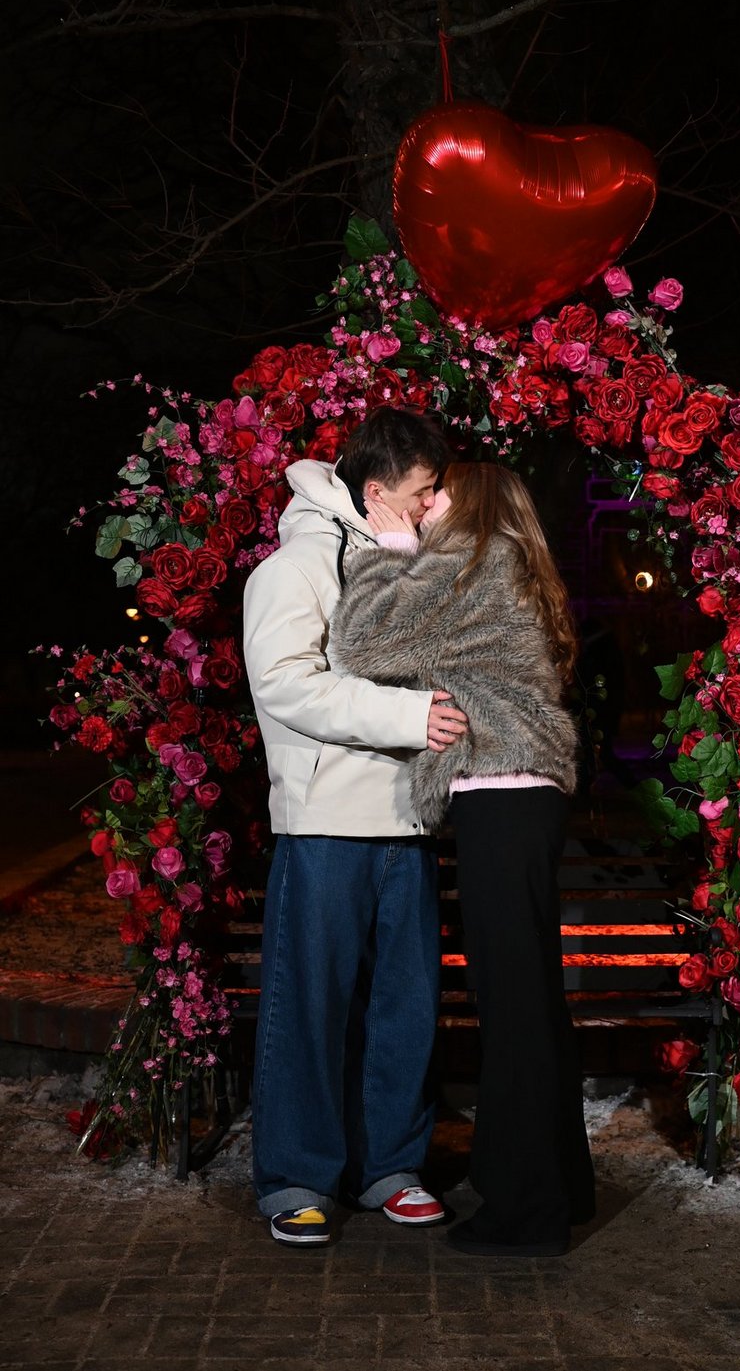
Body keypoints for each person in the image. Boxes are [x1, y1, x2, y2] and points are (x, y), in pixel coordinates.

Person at [328, 461, 597, 1257]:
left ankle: (525, 1213)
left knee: (511, 1009)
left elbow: (364, 640)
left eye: (439, 493)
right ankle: (562, 1184)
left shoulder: (470, 562)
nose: (427, 503)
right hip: (528, 796)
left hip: (502, 799)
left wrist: (387, 548)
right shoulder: (508, 565)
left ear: (470, 505)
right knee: (535, 1002)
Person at [242, 405, 469, 1246]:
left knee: (404, 1005)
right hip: (327, 822)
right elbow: (287, 686)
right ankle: (297, 1174)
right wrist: (410, 715)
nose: (435, 502)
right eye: (425, 491)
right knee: (313, 1001)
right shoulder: (294, 567)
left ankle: (390, 1165)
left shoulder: (402, 559)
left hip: (406, 819)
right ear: (376, 490)